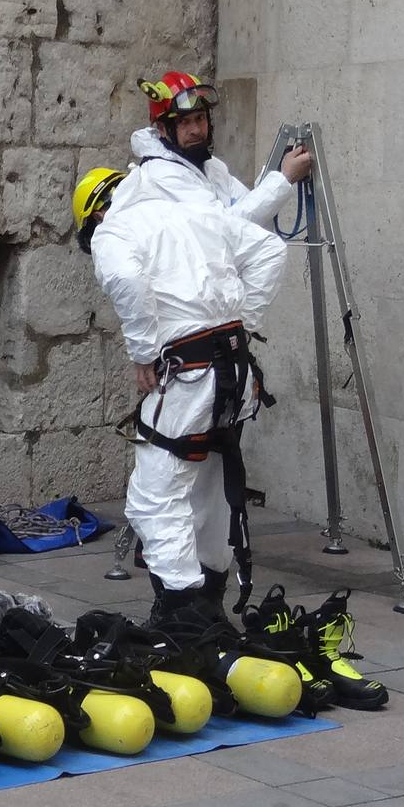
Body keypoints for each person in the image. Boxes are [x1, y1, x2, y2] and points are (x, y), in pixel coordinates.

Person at [78, 164, 288, 628]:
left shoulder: (115, 231)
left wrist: (144, 354)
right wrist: (240, 322)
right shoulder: (192, 213)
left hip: (190, 377)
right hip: (234, 373)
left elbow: (129, 285)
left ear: (95, 216)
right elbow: (271, 250)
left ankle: (182, 611)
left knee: (153, 496)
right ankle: (210, 600)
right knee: (211, 484)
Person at [111, 70, 313, 228]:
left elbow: (247, 207)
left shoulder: (209, 165)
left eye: (200, 118)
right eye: (184, 122)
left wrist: (275, 172)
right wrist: (283, 179)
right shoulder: (162, 174)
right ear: (163, 129)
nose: (196, 130)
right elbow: (226, 227)